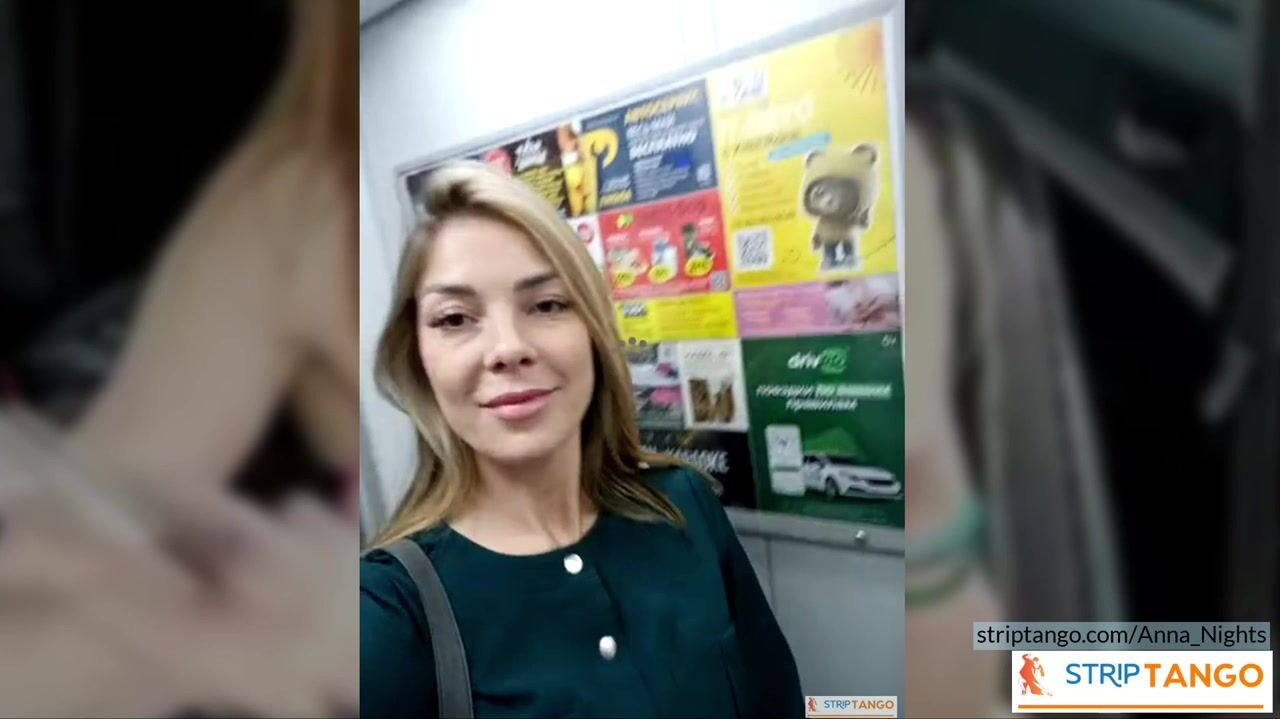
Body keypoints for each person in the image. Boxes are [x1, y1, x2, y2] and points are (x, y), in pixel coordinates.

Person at [360, 161, 803, 718]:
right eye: (455, 319)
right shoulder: (386, 613)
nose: (508, 348)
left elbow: (780, 700)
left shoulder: (683, 504)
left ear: (593, 331)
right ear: (418, 359)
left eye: (547, 305)